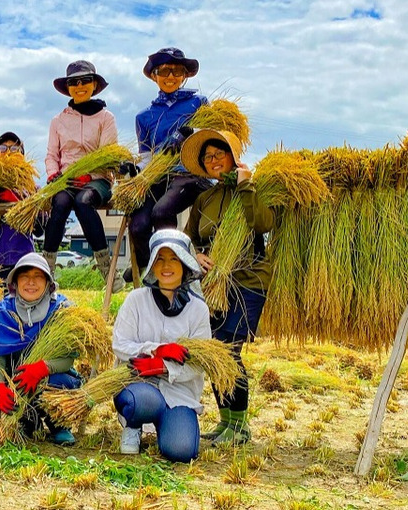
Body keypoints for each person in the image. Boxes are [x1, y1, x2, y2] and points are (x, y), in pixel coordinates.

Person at [182, 129, 274, 445]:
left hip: (249, 279)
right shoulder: (204, 198)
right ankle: (227, 422)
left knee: (228, 349)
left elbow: (263, 224)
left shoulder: (254, 187)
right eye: (207, 157)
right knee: (214, 350)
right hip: (214, 284)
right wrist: (196, 254)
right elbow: (188, 238)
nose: (213, 160)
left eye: (219, 154)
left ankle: (240, 427)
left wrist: (246, 185)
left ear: (232, 157)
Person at [112, 229, 210, 462]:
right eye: (160, 259)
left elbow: (200, 364)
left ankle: (167, 425)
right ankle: (133, 425)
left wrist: (164, 367)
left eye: (174, 259)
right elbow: (120, 344)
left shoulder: (198, 309)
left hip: (179, 392)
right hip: (139, 386)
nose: (166, 266)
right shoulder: (136, 300)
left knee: (181, 451)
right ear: (152, 265)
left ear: (185, 264)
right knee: (142, 401)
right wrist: (155, 350)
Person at [125, 48, 214, 284]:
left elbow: (212, 134)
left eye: (177, 71)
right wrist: (136, 173)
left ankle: (178, 267)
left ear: (185, 75)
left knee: (162, 211)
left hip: (190, 174)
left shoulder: (199, 103)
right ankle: (150, 269)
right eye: (164, 71)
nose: (171, 76)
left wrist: (189, 131)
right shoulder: (144, 116)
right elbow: (147, 158)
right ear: (154, 75)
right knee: (139, 225)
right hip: (159, 176)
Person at [41, 60, 123, 293]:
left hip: (96, 180)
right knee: (60, 203)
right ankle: (47, 270)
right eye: (73, 82)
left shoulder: (106, 118)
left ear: (94, 85)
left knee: (83, 202)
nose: (79, 86)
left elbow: (107, 155)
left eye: (85, 81)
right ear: (68, 87)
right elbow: (51, 155)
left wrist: (89, 175)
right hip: (66, 180)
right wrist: (53, 174)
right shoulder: (58, 120)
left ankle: (107, 269)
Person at [0, 253, 80, 445]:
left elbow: (68, 358)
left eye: (38, 276)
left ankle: (58, 424)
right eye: (24, 276)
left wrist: (42, 368)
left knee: (60, 382)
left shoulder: (61, 310)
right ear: (15, 282)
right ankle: (27, 420)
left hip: (51, 377)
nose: (31, 282)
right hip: (16, 381)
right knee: (20, 415)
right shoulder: (3, 311)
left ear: (48, 282)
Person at [0, 132, 36, 280]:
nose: (8, 152)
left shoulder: (32, 190)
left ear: (22, 156)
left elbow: (40, 227)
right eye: (3, 148)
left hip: (23, 259)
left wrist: (19, 203)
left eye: (14, 149)